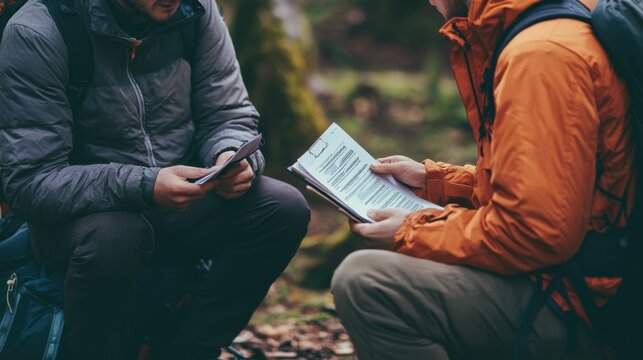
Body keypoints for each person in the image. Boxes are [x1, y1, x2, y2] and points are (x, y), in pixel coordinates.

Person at [0, 0, 310, 358]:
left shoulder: (194, 10)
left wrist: (229, 154)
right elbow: (32, 182)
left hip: (180, 196)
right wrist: (146, 184)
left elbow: (227, 111)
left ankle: (185, 352)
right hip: (82, 217)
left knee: (281, 208)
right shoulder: (39, 31)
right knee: (116, 236)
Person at [331, 0, 636, 359]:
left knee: (367, 281)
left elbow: (535, 232)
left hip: (586, 305)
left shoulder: (539, 56)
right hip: (591, 279)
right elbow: (557, 181)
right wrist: (438, 183)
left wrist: (413, 229)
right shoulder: (548, 23)